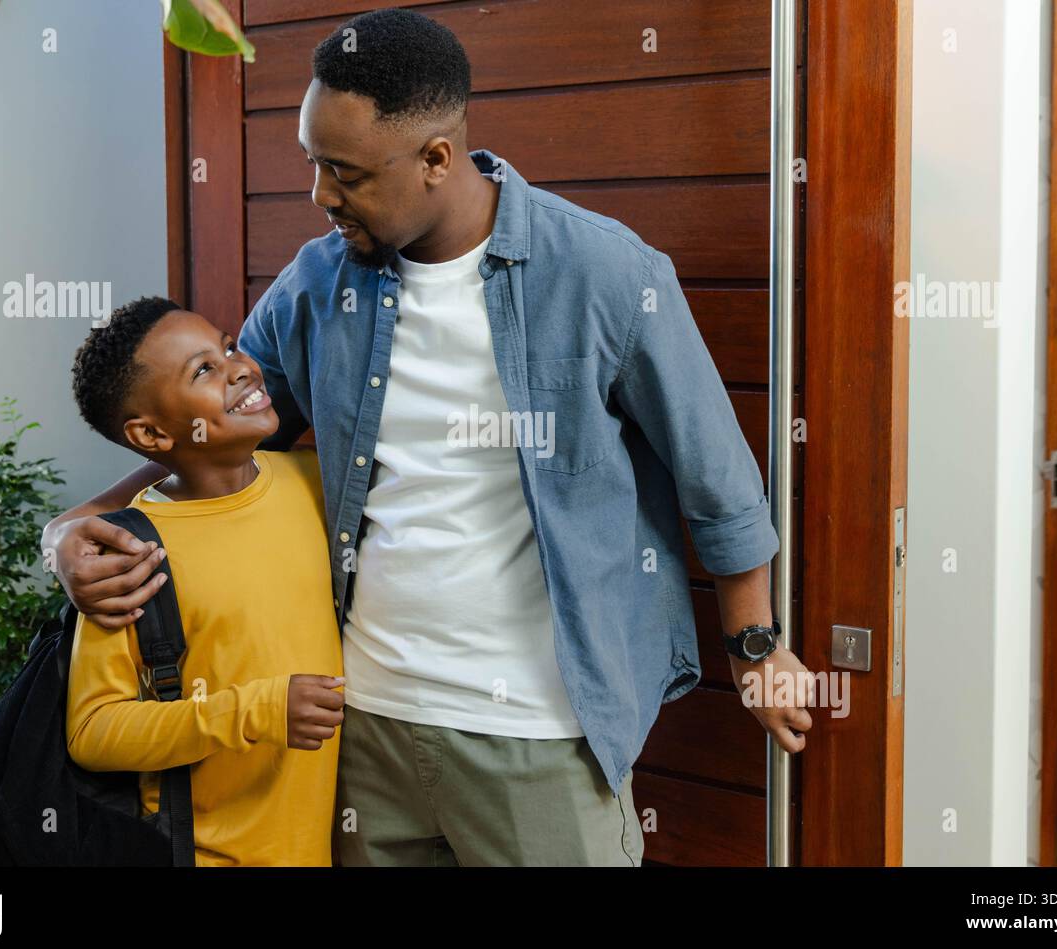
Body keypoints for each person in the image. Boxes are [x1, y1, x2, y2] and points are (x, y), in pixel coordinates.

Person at [44, 8, 813, 867]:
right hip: (363, 728)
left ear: (436, 159)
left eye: (346, 172)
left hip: (540, 734)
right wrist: (73, 528)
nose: (321, 195)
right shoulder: (318, 282)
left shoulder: (606, 273)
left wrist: (755, 648)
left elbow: (717, 476)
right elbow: (210, 436)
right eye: (313, 164)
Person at [63, 296, 345, 866]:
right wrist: (254, 712)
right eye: (203, 371)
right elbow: (93, 732)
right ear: (150, 434)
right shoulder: (130, 552)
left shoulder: (317, 483)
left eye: (228, 346)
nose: (240, 367)